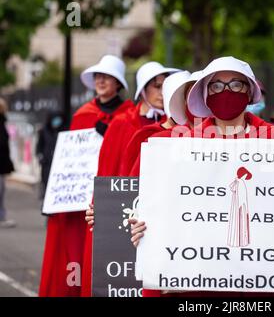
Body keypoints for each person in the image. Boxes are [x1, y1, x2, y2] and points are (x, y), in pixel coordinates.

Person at [129, 56, 274, 297]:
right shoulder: (182, 145)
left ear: (249, 92)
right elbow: (162, 206)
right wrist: (144, 227)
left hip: (260, 283)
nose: (226, 91)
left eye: (236, 84)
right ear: (205, 95)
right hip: (199, 285)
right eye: (216, 86)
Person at [80, 62, 179, 297]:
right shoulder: (122, 123)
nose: (162, 92)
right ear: (143, 90)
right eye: (156, 86)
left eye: (166, 87)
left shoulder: (176, 127)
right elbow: (106, 173)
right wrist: (102, 208)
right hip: (123, 215)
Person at [39, 55, 134, 297]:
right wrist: (55, 195)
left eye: (107, 77)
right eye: (98, 77)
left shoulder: (129, 116)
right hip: (77, 201)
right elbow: (69, 161)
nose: (101, 81)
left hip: (108, 199)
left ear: (118, 83)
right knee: (75, 253)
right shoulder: (83, 114)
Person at [36, 112, 66, 200]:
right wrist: (40, 156)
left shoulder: (64, 129)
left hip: (60, 162)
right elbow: (39, 146)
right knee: (46, 181)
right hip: (47, 162)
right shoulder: (44, 131)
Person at [0, 98, 16, 228]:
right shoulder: (2, 122)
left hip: (2, 162)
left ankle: (1, 215)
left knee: (2, 189)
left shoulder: (3, 122)